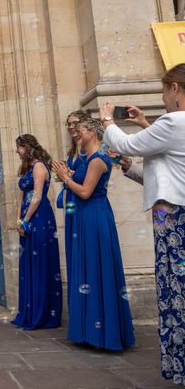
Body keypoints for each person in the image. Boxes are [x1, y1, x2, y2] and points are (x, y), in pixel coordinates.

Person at [100, 64, 185, 382]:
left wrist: (108, 118)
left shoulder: (175, 121)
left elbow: (127, 144)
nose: (163, 97)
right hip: (174, 218)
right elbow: (165, 168)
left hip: (176, 222)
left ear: (175, 88)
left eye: (164, 91)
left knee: (178, 295)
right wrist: (144, 124)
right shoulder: (174, 125)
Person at [52, 119, 135, 350]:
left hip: (94, 217)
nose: (77, 133)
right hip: (83, 217)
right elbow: (78, 183)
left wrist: (65, 177)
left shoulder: (98, 159)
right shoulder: (85, 159)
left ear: (94, 132)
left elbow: (86, 192)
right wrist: (67, 173)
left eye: (81, 130)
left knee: (97, 269)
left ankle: (103, 334)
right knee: (87, 270)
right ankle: (88, 331)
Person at [11, 135, 62, 330]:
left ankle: (42, 314)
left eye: (19, 147)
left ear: (27, 147)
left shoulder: (40, 166)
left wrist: (26, 220)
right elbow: (22, 196)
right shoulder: (27, 169)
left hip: (39, 218)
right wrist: (19, 221)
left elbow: (38, 196)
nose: (17, 151)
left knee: (40, 263)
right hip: (27, 219)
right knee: (29, 264)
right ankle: (29, 312)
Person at [57, 110, 90, 293]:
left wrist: (66, 177)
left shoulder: (89, 151)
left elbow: (86, 182)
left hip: (82, 202)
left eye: (74, 123)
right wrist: (66, 173)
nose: (70, 127)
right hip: (72, 201)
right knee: (74, 251)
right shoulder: (74, 150)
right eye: (68, 124)